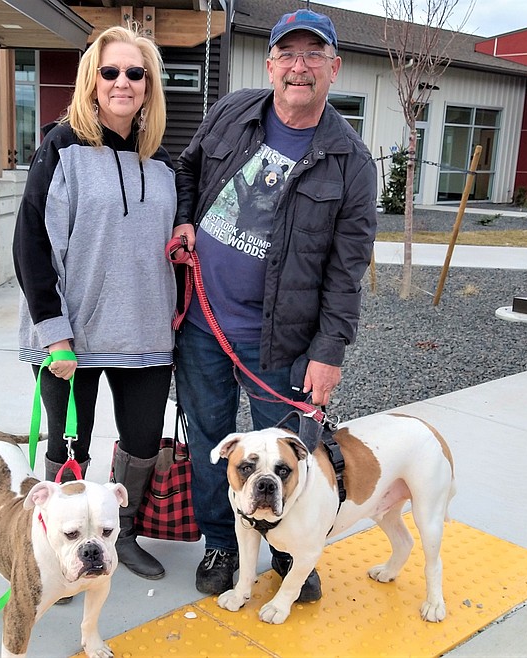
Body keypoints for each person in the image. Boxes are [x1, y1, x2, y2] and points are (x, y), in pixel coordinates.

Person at [171, 8, 377, 600]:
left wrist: (328, 351)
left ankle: (290, 550)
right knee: (213, 439)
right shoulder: (234, 110)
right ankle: (221, 541)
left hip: (280, 339)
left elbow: (346, 271)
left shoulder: (351, 162)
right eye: (289, 54)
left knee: (290, 452)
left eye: (314, 56)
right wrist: (185, 219)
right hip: (205, 325)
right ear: (270, 64)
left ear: (334, 69)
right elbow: (188, 168)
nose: (300, 67)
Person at [13, 25, 176, 580]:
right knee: (69, 450)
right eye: (110, 72)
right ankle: (57, 549)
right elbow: (31, 244)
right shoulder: (61, 148)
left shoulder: (163, 163)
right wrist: (53, 333)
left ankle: (120, 536)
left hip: (146, 337)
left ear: (149, 86)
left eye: (136, 73)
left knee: (140, 443)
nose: (123, 82)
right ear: (91, 81)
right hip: (71, 340)